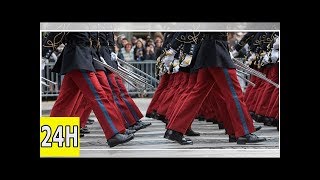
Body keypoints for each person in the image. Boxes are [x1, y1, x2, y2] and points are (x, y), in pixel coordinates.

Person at [164, 32, 267, 145]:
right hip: (216, 50)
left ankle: (175, 130)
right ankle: (244, 132)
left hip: (209, 49)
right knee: (234, 93)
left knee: (198, 94)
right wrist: (173, 49)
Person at [44, 32, 134, 147]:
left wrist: (101, 53)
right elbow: (58, 31)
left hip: (84, 56)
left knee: (65, 100)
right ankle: (113, 133)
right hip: (78, 56)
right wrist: (44, 54)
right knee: (98, 96)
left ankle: (53, 139)